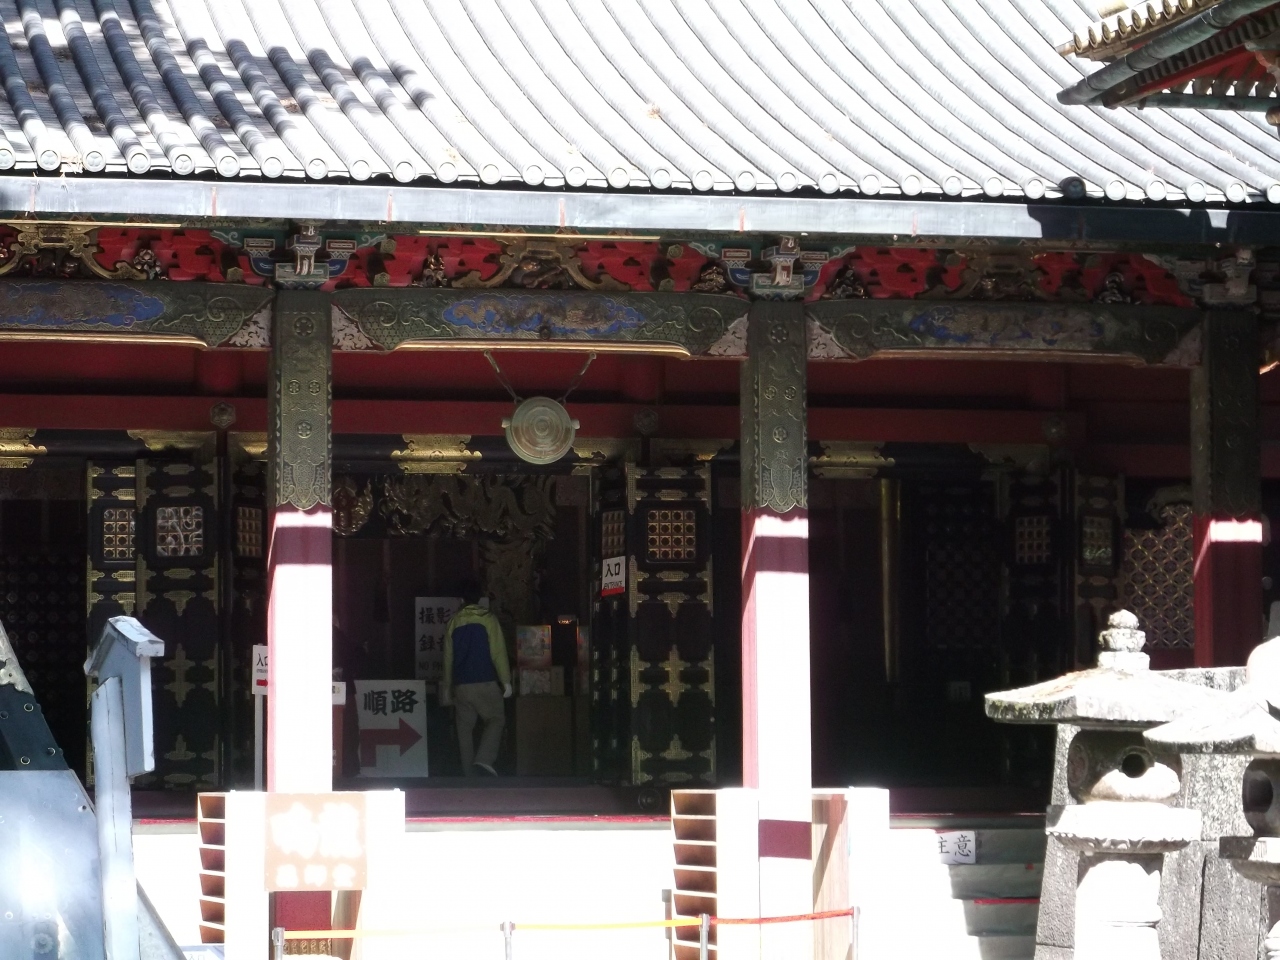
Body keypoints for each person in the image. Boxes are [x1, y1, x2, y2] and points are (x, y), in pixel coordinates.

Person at [441, 582, 511, 776]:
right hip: (486, 682)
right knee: (496, 719)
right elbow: (498, 652)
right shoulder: (489, 619)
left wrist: (446, 688)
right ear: (480, 598)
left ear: (461, 600)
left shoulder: (453, 622)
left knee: (464, 731)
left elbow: (448, 659)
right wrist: (506, 681)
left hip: (461, 687)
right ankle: (484, 759)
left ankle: (468, 776)